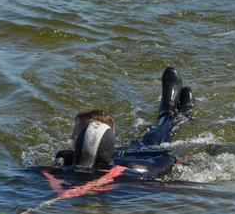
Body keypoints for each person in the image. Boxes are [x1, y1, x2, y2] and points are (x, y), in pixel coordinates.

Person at [51, 67, 195, 179]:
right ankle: (183, 113)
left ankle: (168, 110)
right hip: (131, 150)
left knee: (157, 132)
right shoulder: (66, 160)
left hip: (147, 149)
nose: (73, 138)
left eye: (79, 134)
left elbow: (165, 157)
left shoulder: (125, 163)